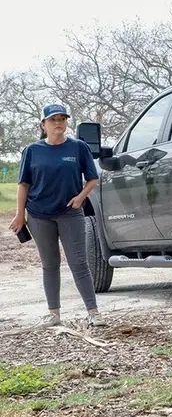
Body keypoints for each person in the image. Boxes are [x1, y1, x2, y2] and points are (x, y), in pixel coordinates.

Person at [8, 103, 106, 328]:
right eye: (53, 119)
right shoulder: (32, 150)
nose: (59, 123)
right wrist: (19, 214)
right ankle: (54, 314)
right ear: (44, 125)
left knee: (79, 263)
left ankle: (93, 312)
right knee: (50, 264)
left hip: (70, 213)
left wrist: (81, 198)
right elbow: (23, 184)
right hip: (38, 215)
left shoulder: (78, 147)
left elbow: (92, 178)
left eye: (62, 119)